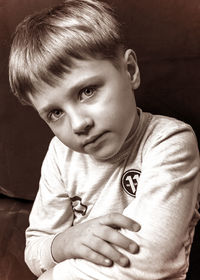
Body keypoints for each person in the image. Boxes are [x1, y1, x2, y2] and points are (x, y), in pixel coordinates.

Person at [8, 0, 200, 279]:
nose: (79, 124)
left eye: (87, 91)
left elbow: (153, 258)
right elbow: (35, 251)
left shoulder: (170, 141)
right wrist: (63, 243)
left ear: (130, 71)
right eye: (55, 112)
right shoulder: (61, 155)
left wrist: (53, 276)